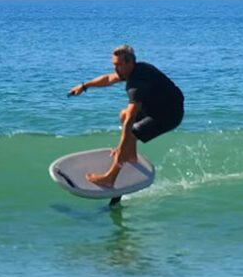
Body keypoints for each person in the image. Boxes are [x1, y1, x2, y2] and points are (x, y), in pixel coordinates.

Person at [68, 45, 184, 203]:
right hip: (157, 106)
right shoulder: (133, 69)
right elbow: (108, 79)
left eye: (118, 65)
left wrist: (122, 145)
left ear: (129, 63)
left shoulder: (137, 83)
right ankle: (131, 156)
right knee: (123, 115)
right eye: (114, 65)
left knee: (130, 131)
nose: (115, 69)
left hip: (168, 115)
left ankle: (110, 177)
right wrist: (84, 86)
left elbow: (131, 117)